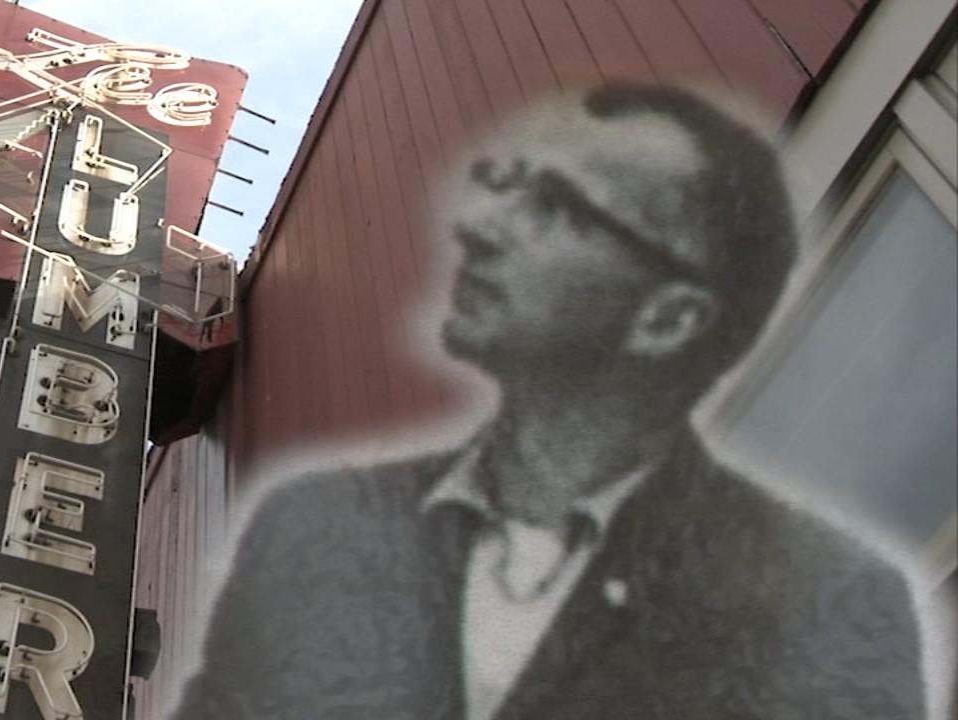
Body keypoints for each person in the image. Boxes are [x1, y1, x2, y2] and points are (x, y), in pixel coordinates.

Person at [167, 82, 928, 720]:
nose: (478, 226)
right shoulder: (316, 523)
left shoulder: (831, 602)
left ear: (670, 317)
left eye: (560, 206)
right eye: (501, 181)